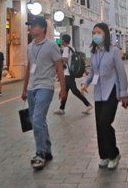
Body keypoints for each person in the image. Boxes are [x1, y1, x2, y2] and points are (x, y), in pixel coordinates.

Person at [80, 24, 128, 169]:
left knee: (104, 122)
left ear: (105, 34)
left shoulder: (114, 51)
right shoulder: (94, 53)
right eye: (94, 32)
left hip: (111, 91)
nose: (96, 35)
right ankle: (105, 156)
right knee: (99, 125)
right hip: (98, 93)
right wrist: (85, 83)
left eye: (99, 32)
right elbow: (93, 73)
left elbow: (121, 72)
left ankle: (114, 154)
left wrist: (124, 93)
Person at [22, 16, 67, 170]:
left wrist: (63, 88)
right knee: (37, 120)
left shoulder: (51, 46)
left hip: (46, 86)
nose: (30, 29)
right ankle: (47, 150)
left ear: (42, 28)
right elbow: (29, 68)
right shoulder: (29, 47)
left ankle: (40, 152)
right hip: (32, 87)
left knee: (37, 118)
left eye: (33, 26)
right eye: (30, 26)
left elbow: (59, 67)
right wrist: (24, 88)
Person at [55, 34, 93, 115]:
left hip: (68, 73)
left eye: (61, 39)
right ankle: (61, 108)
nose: (61, 41)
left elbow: (65, 60)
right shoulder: (71, 48)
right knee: (66, 90)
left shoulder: (66, 49)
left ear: (63, 40)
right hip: (71, 72)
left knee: (74, 91)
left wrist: (59, 59)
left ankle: (88, 104)